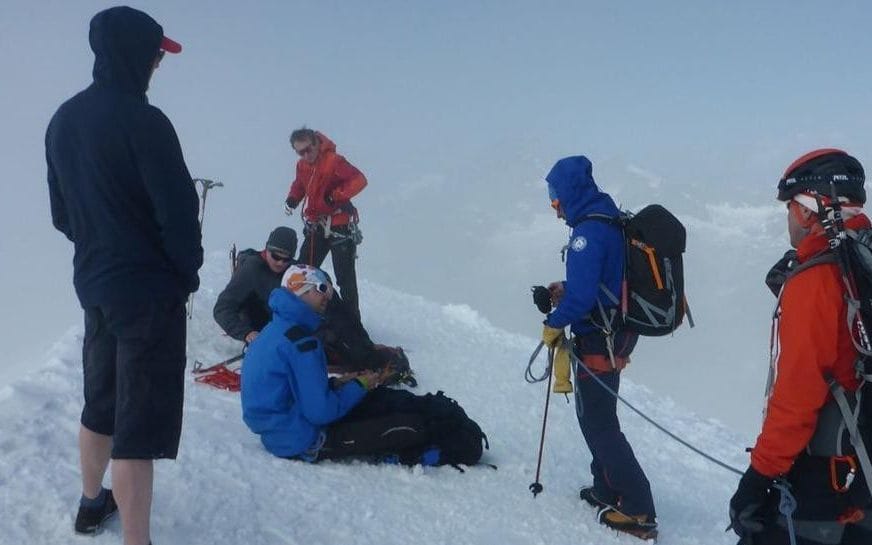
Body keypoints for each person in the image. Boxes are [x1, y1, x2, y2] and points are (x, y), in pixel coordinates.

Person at [45, 7, 201, 545]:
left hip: (95, 285)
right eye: (158, 54)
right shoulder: (146, 122)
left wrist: (102, 245)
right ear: (140, 55)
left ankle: (92, 505)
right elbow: (179, 216)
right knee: (139, 425)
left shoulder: (63, 120)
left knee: (101, 401)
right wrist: (185, 274)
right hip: (149, 295)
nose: (159, 64)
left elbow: (62, 215)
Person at [729, 149, 872, 545]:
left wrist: (758, 478)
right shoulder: (863, 258)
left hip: (823, 472)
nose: (789, 217)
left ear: (812, 209)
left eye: (790, 206)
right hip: (863, 468)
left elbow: (798, 393)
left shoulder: (817, 278)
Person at [540, 156, 657, 539]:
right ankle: (607, 487)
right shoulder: (608, 220)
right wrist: (567, 289)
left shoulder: (587, 234)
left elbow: (584, 298)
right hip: (614, 331)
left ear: (570, 192)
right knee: (596, 414)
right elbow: (601, 282)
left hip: (600, 335)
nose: (553, 203)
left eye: (555, 195)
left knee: (598, 421)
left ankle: (639, 508)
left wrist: (552, 324)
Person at [241, 265, 438, 464]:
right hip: (300, 438)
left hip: (276, 432)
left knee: (379, 407)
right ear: (301, 290)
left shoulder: (273, 330)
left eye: (329, 289)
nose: (328, 296)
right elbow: (320, 412)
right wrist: (360, 385)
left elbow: (289, 389)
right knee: (410, 427)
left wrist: (336, 384)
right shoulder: (302, 343)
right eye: (322, 288)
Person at [213, 227, 411, 379]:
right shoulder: (252, 270)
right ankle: (365, 357)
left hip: (288, 322)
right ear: (266, 249)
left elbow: (308, 276)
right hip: (265, 325)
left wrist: (324, 284)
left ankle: (364, 349)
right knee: (326, 344)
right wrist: (247, 333)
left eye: (286, 259)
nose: (280, 263)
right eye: (276, 256)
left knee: (334, 307)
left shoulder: (291, 269)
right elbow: (222, 309)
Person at [284, 128, 367, 321]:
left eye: (307, 150)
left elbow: (359, 180)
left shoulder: (334, 161)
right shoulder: (302, 165)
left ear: (316, 143)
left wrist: (334, 196)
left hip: (340, 226)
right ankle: (301, 316)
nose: (305, 155)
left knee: (345, 280)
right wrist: (292, 199)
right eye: (300, 152)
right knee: (303, 270)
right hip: (317, 224)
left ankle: (353, 328)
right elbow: (300, 184)